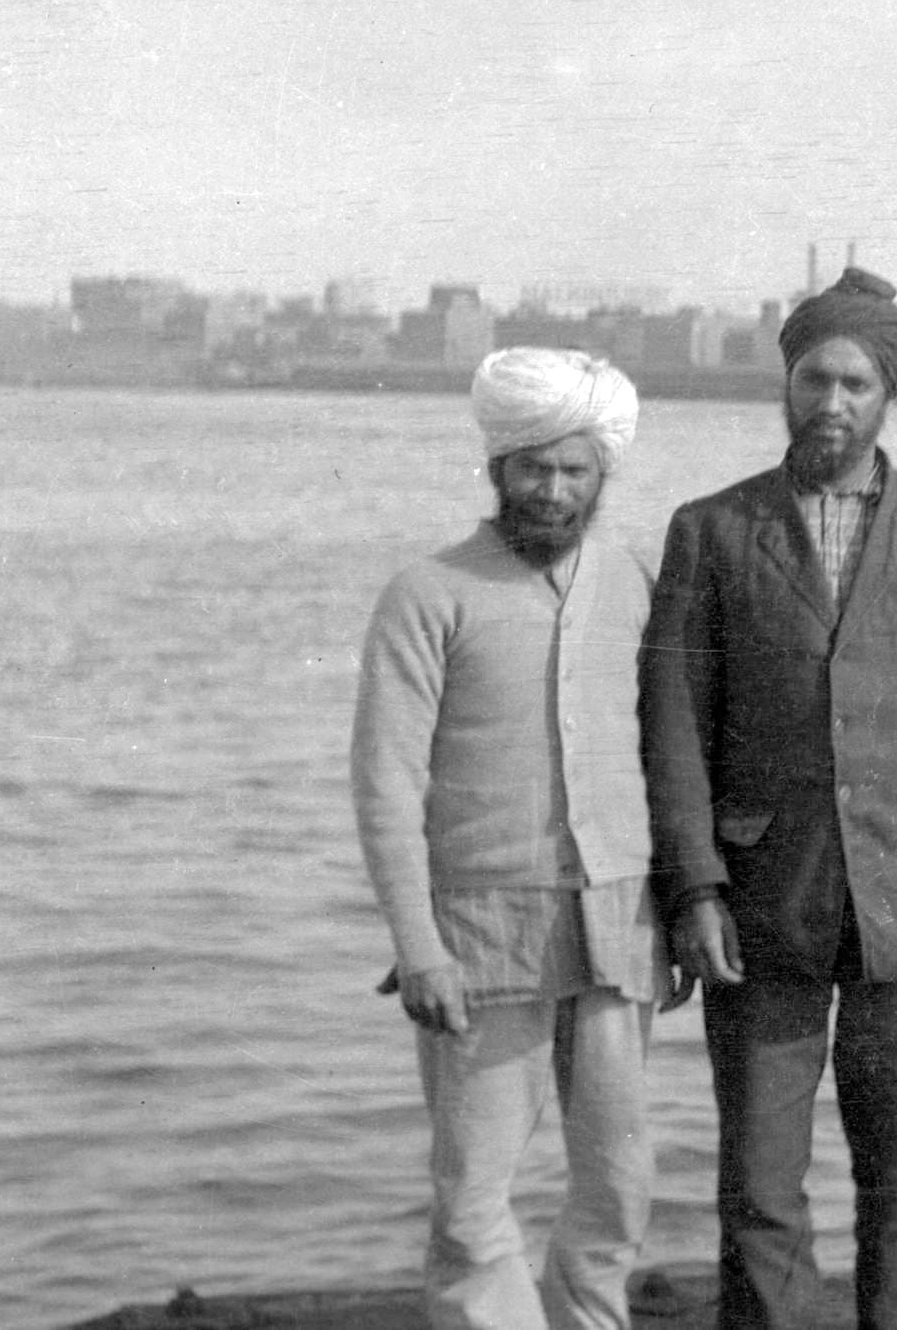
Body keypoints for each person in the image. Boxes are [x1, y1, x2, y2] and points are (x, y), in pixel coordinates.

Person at [640, 266, 897, 1330]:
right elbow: (674, 727)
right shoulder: (712, 532)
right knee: (760, 1181)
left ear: (888, 393)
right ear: (788, 382)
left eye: (857, 382)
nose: (832, 402)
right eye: (815, 377)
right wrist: (695, 888)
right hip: (759, 898)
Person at [351, 348, 665, 1330]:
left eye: (576, 470)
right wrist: (419, 946)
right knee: (473, 1196)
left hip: (618, 924)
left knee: (619, 1184)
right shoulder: (428, 592)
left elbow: (664, 751)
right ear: (497, 466)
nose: (554, 488)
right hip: (478, 939)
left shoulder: (636, 581)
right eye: (534, 466)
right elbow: (385, 784)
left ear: (602, 474)